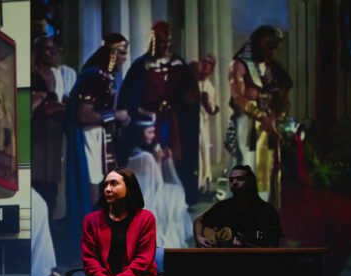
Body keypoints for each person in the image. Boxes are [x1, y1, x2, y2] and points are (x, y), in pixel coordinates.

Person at [118, 21, 200, 206]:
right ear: (153, 41)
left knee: (173, 157)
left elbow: (190, 93)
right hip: (147, 121)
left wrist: (186, 99)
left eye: (169, 41)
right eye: (162, 41)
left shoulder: (179, 64)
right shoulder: (141, 65)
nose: (166, 45)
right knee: (152, 159)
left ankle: (174, 203)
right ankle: (151, 201)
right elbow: (129, 96)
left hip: (173, 119)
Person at [65, 33, 131, 261]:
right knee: (94, 194)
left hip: (103, 141)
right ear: (111, 53)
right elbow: (84, 114)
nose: (124, 57)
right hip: (91, 141)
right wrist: (116, 116)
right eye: (121, 52)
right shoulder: (93, 77)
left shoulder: (106, 76)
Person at [225, 25, 293, 209]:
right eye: (268, 46)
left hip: (268, 126)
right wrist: (261, 117)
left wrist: (278, 116)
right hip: (247, 126)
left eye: (275, 47)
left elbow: (281, 95)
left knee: (267, 173)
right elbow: (238, 98)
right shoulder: (239, 65)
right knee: (247, 169)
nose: (272, 51)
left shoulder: (272, 68)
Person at [126, 113, 192, 248]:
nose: (152, 136)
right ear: (140, 133)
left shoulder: (131, 154)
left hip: (138, 198)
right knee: (177, 193)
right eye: (149, 132)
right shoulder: (147, 158)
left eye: (153, 132)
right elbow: (157, 183)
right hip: (150, 198)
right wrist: (161, 160)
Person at [30, 35, 76, 224]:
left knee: (53, 180)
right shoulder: (31, 73)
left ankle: (51, 220)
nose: (52, 53)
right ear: (38, 50)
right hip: (37, 133)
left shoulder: (60, 74)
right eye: (47, 49)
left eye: (55, 50)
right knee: (37, 177)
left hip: (56, 134)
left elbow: (64, 101)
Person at [193, 165, 283, 248]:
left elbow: (272, 248)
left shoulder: (266, 211)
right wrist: (199, 237)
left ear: (251, 182)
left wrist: (246, 245)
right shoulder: (222, 207)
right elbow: (199, 221)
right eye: (231, 180)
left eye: (240, 179)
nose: (234, 182)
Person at [193, 55, 220, 195]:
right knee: (196, 152)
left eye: (208, 65)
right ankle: (197, 185)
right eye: (204, 63)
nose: (205, 67)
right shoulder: (192, 81)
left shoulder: (209, 87)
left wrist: (209, 105)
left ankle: (204, 183)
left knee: (204, 151)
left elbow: (210, 108)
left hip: (202, 122)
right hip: (191, 121)